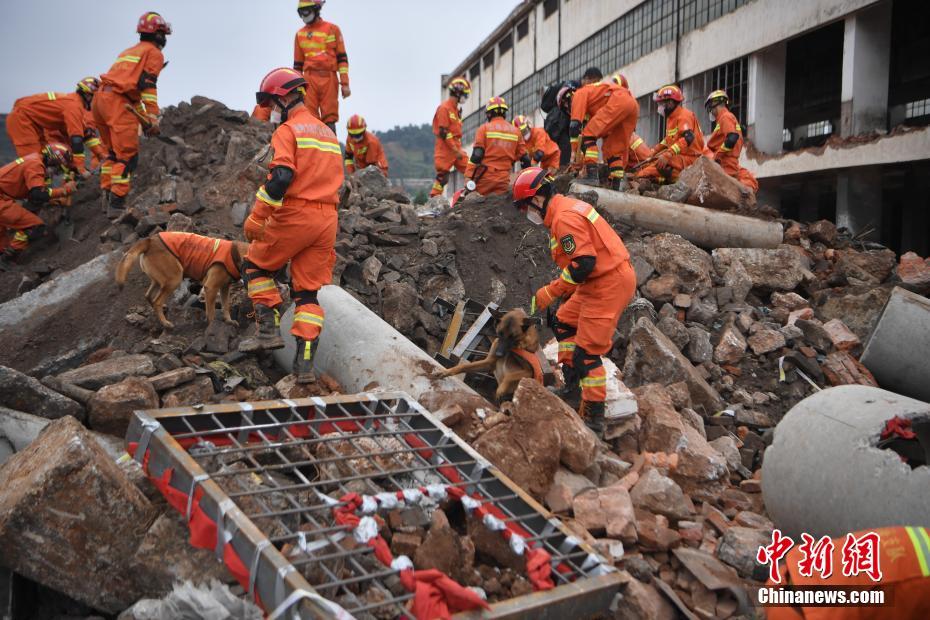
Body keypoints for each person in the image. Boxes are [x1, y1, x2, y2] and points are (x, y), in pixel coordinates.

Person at [512, 167, 636, 436]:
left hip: (608, 284)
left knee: (587, 354)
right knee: (564, 321)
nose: (527, 214)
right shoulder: (563, 210)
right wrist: (564, 295)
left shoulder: (564, 218)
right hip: (599, 280)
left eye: (525, 207)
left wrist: (552, 291)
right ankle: (571, 387)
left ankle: (593, 418)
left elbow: (583, 265)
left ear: (537, 199)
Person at [239, 68, 343, 386]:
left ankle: (267, 332)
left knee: (255, 266)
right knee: (307, 293)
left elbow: (281, 177)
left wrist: (257, 216)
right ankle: (304, 365)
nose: (270, 110)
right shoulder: (327, 133)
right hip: (327, 220)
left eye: (272, 103)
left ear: (284, 97)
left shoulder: (289, 130)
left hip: (297, 214)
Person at [93, 11, 170, 219]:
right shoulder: (154, 53)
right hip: (118, 102)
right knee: (127, 157)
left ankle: (107, 196)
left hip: (100, 100)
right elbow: (147, 86)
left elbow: (133, 95)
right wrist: (153, 117)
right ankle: (117, 206)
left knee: (112, 154)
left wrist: (143, 118)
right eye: (164, 34)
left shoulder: (130, 51)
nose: (164, 39)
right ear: (158, 34)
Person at [0, 144, 77, 269]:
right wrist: (64, 191)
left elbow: (38, 194)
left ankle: (3, 260)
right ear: (53, 161)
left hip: (4, 196)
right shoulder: (35, 165)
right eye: (57, 169)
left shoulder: (35, 160)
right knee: (34, 226)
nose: (56, 173)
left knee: (2, 240)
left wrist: (55, 199)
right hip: (2, 198)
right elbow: (38, 194)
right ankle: (7, 260)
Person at [6, 77, 101, 176]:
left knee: (45, 159)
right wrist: (80, 168)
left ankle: (43, 187)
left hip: (33, 122)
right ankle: (29, 189)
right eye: (95, 98)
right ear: (88, 95)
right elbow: (76, 139)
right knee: (34, 163)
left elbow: (86, 133)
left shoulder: (73, 103)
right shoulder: (74, 106)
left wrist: (101, 154)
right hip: (21, 119)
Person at [571, 68, 639, 189]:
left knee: (588, 136)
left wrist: (575, 153)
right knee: (613, 149)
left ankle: (592, 176)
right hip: (632, 103)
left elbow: (575, 126)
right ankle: (616, 184)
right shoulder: (600, 92)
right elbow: (600, 122)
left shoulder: (580, 93)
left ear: (585, 80)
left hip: (617, 101)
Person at [293, 0, 349, 133]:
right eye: (301, 12)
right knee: (309, 116)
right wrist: (296, 88)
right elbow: (297, 65)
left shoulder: (332, 29)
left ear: (316, 9)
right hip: (308, 79)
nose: (304, 15)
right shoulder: (300, 34)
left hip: (328, 77)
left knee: (329, 117)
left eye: (307, 11)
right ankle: (313, 151)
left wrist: (345, 83)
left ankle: (331, 150)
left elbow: (342, 58)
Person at [636, 85, 705, 184]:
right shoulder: (671, 118)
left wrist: (669, 153)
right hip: (679, 157)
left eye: (661, 103)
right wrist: (654, 151)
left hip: (690, 158)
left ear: (670, 102)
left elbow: (688, 137)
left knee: (661, 164)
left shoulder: (684, 115)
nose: (659, 107)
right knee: (651, 165)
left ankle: (680, 183)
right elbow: (668, 139)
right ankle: (660, 181)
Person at [464, 97, 526, 196]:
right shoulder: (516, 132)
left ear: (489, 114)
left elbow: (477, 155)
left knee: (477, 205)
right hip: (504, 180)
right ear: (504, 113)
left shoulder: (483, 129)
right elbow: (525, 159)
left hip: (484, 179)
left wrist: (468, 176)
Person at [704, 89, 759, 193]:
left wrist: (718, 156)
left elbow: (732, 138)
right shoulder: (724, 119)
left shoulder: (725, 117)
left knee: (725, 189)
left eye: (710, 106)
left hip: (725, 161)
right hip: (725, 160)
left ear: (716, 102)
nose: (710, 111)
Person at [430, 77, 470, 197]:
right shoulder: (444, 108)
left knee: (471, 170)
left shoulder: (455, 110)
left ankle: (472, 193)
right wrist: (454, 149)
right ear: (458, 92)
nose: (465, 98)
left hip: (455, 146)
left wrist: (456, 149)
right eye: (465, 94)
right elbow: (443, 132)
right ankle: (434, 198)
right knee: (443, 177)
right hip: (445, 148)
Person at [541, 79, 579, 169]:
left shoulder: (559, 110)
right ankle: (563, 168)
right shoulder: (572, 88)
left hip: (555, 127)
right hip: (558, 128)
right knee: (565, 144)